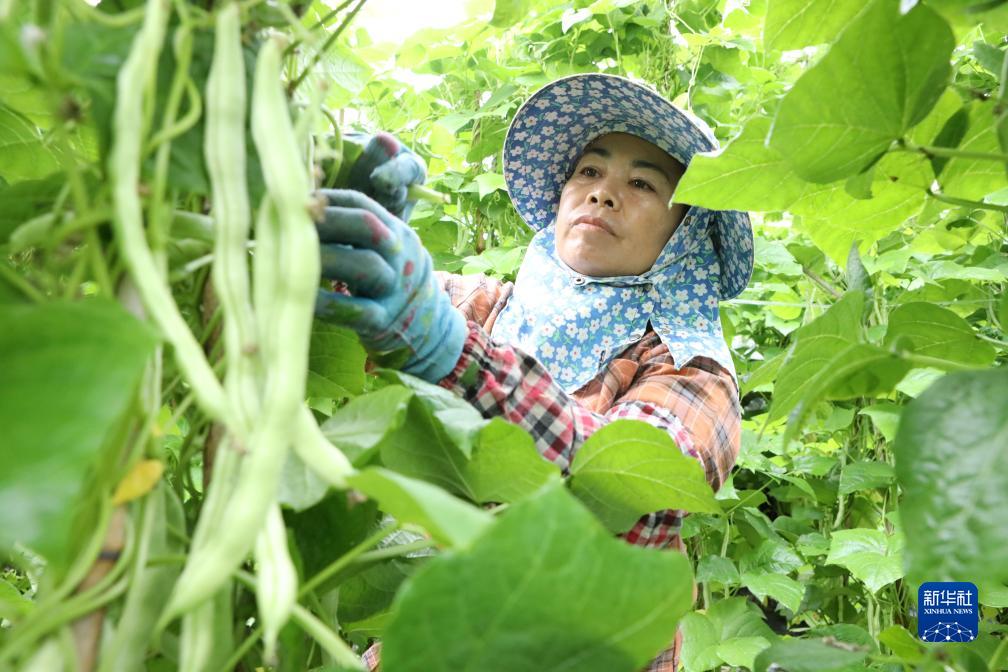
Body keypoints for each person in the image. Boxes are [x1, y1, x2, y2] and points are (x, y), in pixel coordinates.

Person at [316, 73, 753, 672]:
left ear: (687, 233)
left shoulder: (691, 368)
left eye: (643, 183)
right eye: (589, 171)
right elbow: (352, 313)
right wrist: (355, 233)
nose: (602, 194)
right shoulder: (494, 310)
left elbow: (634, 486)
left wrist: (455, 357)